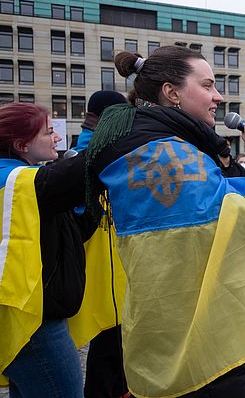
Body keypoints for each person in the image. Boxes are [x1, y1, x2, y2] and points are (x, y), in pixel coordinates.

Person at [85, 46, 245, 397]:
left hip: (168, 331)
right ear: (172, 92)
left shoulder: (169, 143)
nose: (218, 96)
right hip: (201, 346)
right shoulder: (167, 154)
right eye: (207, 85)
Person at [0, 103, 93, 396]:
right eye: (49, 132)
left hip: (28, 314)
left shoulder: (23, 177)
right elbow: (82, 169)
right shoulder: (18, 180)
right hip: (32, 320)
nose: (57, 138)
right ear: (21, 144)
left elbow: (74, 231)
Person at [71, 90, 130, 398]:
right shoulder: (90, 151)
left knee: (116, 347)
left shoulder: (103, 144)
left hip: (115, 268)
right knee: (108, 347)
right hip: (100, 268)